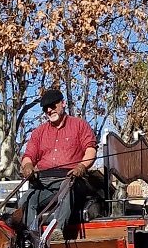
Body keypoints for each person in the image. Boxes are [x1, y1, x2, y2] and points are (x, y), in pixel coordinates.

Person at [19, 88, 97, 237]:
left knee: (66, 186)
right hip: (44, 182)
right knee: (27, 199)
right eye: (45, 108)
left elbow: (90, 150)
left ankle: (57, 230)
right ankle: (31, 236)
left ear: (63, 103)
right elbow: (28, 155)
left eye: (53, 105)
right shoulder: (38, 132)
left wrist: (81, 166)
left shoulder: (79, 125)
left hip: (72, 179)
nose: (49, 110)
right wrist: (28, 166)